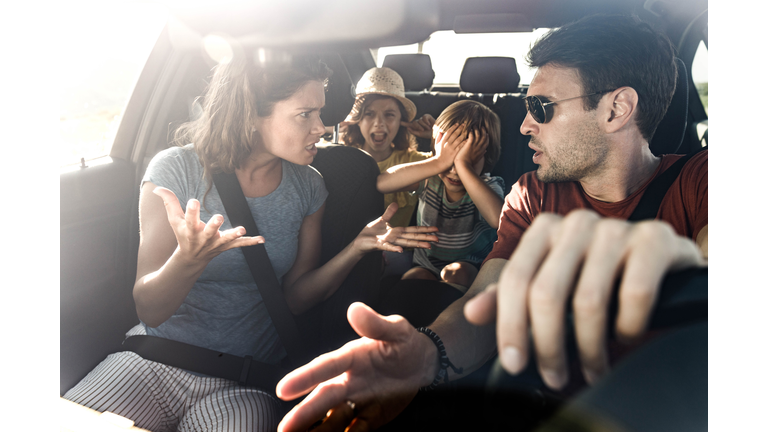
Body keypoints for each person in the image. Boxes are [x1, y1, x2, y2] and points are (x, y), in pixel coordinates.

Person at [275, 14, 708, 432]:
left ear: (617, 109)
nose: (523, 126)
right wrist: (425, 354)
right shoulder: (532, 195)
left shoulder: (703, 182)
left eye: (542, 108)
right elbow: (484, 303)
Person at [62, 54, 439, 432]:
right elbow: (150, 310)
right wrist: (188, 260)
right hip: (152, 359)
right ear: (251, 115)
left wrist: (356, 247)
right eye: (305, 114)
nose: (322, 128)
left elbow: (294, 297)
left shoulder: (309, 187)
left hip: (241, 382)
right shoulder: (175, 168)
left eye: (320, 113)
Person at [377, 100, 504, 290]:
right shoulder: (431, 177)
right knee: (413, 279)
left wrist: (464, 167)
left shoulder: (487, 186)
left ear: (487, 157)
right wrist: (437, 162)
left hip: (472, 267)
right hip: (425, 265)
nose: (454, 170)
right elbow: (382, 183)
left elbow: (497, 219)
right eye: (449, 159)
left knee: (456, 272)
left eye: (467, 160)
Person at [340, 66, 436, 229]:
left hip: (398, 249)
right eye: (369, 114)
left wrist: (435, 136)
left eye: (389, 114)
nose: (379, 123)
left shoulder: (412, 160)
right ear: (358, 120)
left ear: (401, 120)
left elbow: (446, 166)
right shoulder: (342, 158)